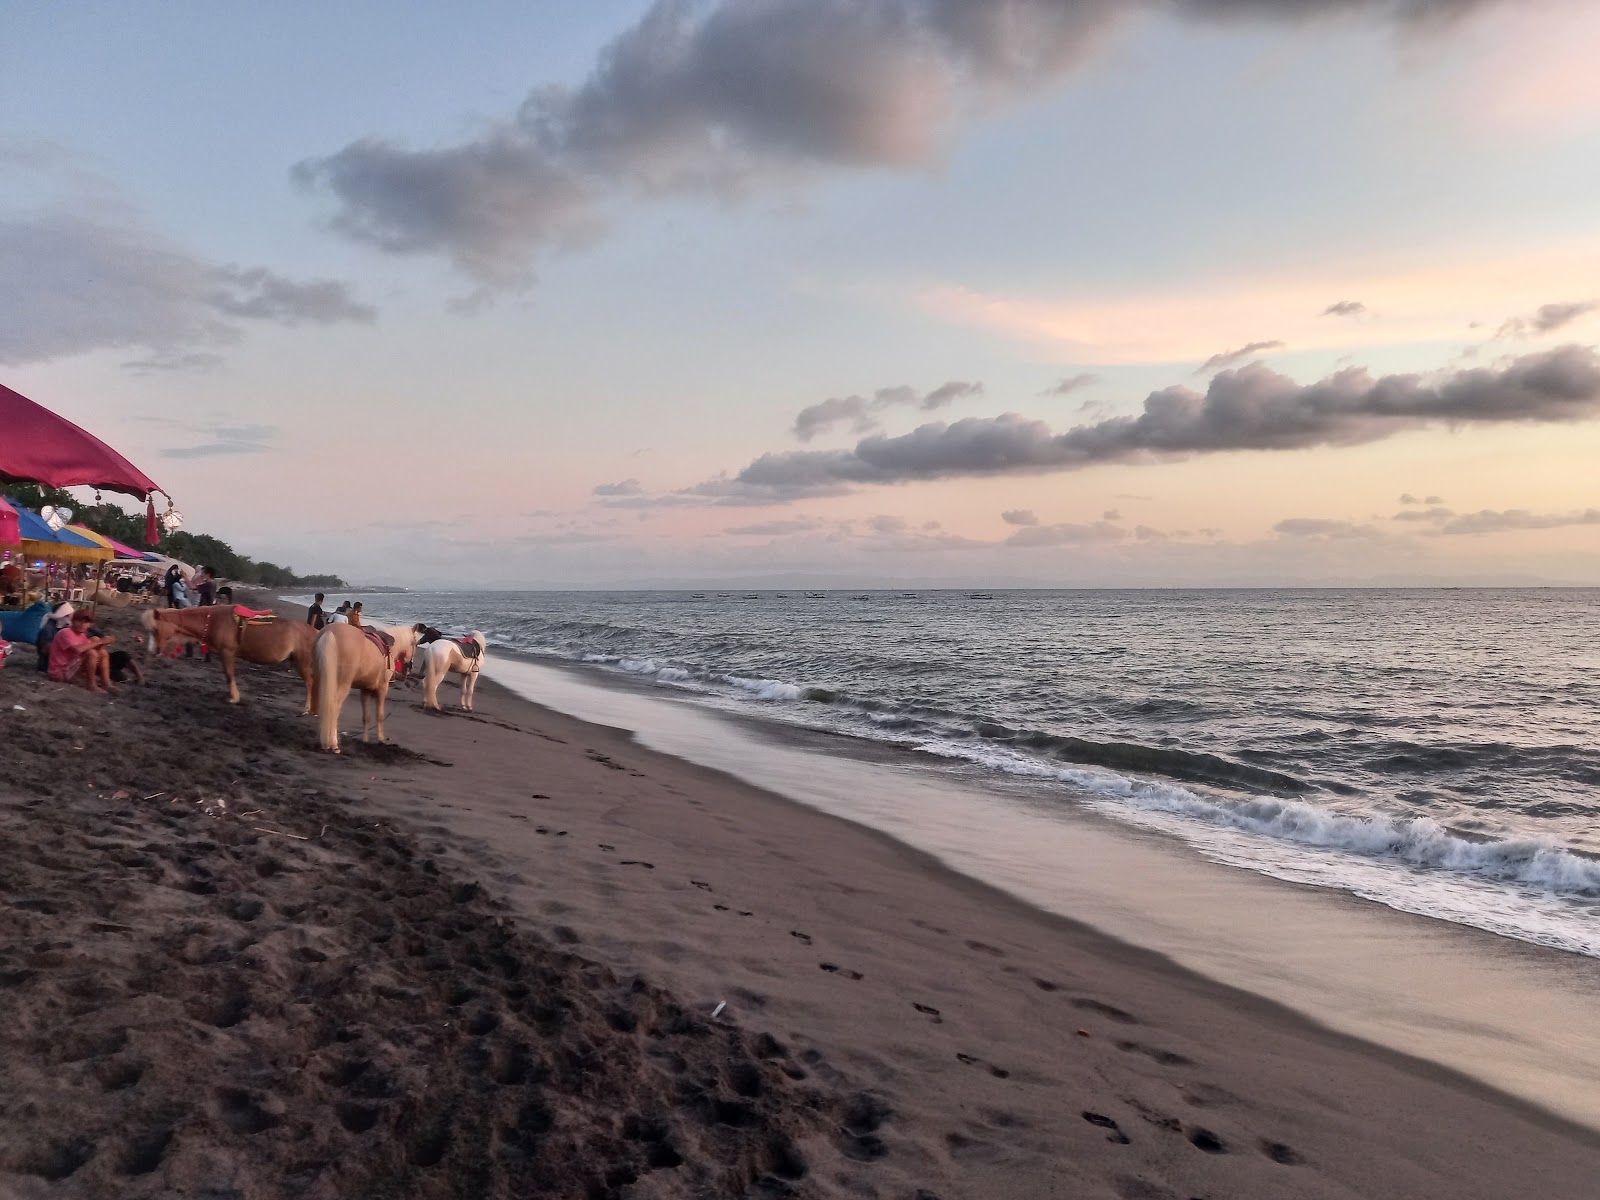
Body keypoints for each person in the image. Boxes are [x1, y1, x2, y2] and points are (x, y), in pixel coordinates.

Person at [48, 609, 114, 692]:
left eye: (86, 622)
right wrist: (100, 641)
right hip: (60, 672)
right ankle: (91, 685)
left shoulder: (81, 635)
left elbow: (94, 649)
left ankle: (106, 683)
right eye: (79, 621)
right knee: (91, 653)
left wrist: (101, 643)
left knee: (102, 652)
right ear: (72, 621)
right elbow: (78, 650)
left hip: (72, 667)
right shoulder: (66, 632)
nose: (82, 624)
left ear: (90, 624)